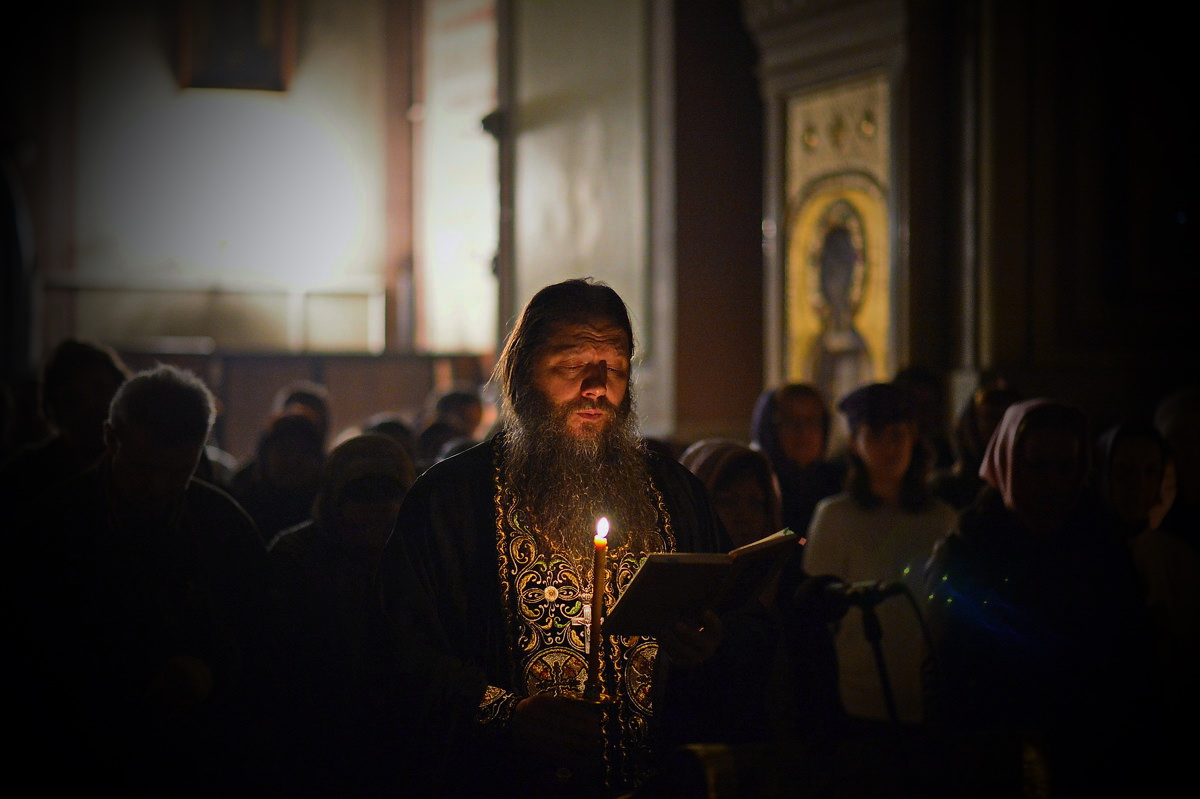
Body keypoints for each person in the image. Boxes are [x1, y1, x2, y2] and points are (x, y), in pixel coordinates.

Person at [369, 278, 731, 797]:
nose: (597, 386)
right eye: (571, 364)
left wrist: (710, 641)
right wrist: (505, 712)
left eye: (617, 365)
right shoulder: (451, 500)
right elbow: (399, 650)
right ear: (521, 375)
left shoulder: (676, 494)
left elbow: (741, 626)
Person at [13, 364, 276, 794]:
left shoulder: (224, 525)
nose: (158, 488)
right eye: (142, 468)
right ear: (110, 438)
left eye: (178, 472)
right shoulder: (54, 527)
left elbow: (264, 640)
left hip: (204, 757)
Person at [921, 399, 1157, 795]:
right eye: (1038, 466)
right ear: (1010, 465)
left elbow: (1129, 658)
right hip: (996, 755)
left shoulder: (1102, 546)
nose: (1052, 482)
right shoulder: (969, 550)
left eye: (1065, 467)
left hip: (1091, 753)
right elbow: (945, 672)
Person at [268, 432, 417, 796]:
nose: (378, 509)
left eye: (389, 493)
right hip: (316, 738)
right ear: (335, 497)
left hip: (402, 738)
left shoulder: (416, 554)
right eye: (361, 493)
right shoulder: (295, 557)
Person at [803, 382, 957, 726]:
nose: (889, 446)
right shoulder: (836, 516)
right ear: (855, 443)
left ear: (913, 437)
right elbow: (818, 605)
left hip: (926, 689)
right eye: (875, 434)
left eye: (897, 434)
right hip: (858, 689)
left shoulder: (941, 518)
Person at [677, 438, 843, 743]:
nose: (743, 515)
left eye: (755, 503)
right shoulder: (680, 593)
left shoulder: (795, 591)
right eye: (726, 501)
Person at [0, 338, 129, 507]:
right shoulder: (24, 475)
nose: (89, 404)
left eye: (99, 390)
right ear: (53, 409)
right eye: (74, 397)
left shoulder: (145, 467)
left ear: (121, 392)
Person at [748, 382, 846, 545]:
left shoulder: (840, 482)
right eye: (790, 421)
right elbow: (787, 536)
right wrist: (805, 542)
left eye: (812, 421)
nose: (803, 431)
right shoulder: (758, 485)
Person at [230, 409, 326, 544]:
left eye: (303, 452)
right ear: (265, 456)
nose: (293, 461)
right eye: (284, 450)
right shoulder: (240, 502)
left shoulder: (326, 511)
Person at [930, 379, 1022, 509]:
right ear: (972, 423)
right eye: (989, 417)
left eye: (1004, 418)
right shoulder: (945, 487)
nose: (997, 426)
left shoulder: (1028, 486)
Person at [415, 389, 484, 472]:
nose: (470, 426)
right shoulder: (432, 442)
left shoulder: (472, 445)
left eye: (474, 420)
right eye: (464, 417)